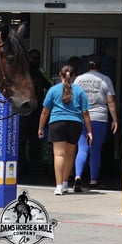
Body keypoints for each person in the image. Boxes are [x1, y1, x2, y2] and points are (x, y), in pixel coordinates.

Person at [38, 63, 92, 195]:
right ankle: (65, 182)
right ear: (74, 76)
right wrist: (90, 131)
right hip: (75, 124)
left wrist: (40, 128)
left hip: (57, 123)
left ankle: (58, 186)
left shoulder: (53, 90)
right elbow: (85, 113)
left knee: (59, 154)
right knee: (69, 154)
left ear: (59, 75)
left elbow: (45, 111)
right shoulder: (79, 91)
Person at [73, 54, 118, 191]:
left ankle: (77, 177)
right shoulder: (105, 79)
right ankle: (93, 180)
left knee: (82, 148)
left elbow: (73, 99)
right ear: (100, 66)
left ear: (87, 65)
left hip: (81, 118)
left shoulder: (79, 79)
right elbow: (110, 101)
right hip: (99, 118)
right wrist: (115, 119)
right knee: (95, 149)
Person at [18, 49, 52, 176]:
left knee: (35, 141)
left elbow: (50, 85)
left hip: (36, 111)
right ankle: (21, 165)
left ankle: (34, 166)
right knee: (21, 140)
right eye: (33, 58)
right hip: (22, 110)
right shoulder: (21, 72)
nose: (35, 61)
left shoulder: (40, 72)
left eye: (37, 58)